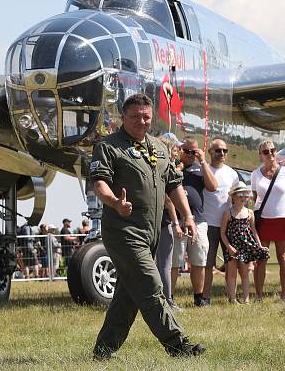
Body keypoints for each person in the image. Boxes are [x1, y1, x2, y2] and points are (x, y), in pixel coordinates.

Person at [90, 93, 205, 359]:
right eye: (135, 117)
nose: (141, 122)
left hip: (151, 233)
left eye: (146, 117)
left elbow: (175, 185)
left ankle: (103, 352)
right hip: (124, 232)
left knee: (128, 296)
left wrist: (187, 216)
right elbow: (99, 183)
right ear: (123, 117)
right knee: (152, 287)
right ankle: (178, 345)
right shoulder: (109, 147)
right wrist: (114, 203)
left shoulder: (159, 147)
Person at [170, 136, 217, 307]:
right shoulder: (173, 167)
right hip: (177, 221)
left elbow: (213, 186)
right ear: (180, 150)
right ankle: (170, 298)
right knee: (174, 262)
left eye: (193, 152)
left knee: (199, 261)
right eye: (187, 151)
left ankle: (199, 297)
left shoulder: (200, 168)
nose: (190, 154)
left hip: (198, 221)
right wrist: (179, 167)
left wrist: (203, 162)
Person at [251, 140, 285, 301]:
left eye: (272, 150)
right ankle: (258, 295)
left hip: (282, 219)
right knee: (261, 258)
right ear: (260, 155)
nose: (270, 154)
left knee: (282, 257)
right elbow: (255, 198)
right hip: (263, 220)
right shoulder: (255, 174)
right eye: (266, 152)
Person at [202, 138, 239, 303]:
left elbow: (238, 198)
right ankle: (205, 298)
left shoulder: (232, 173)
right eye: (218, 150)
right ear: (210, 152)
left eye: (225, 150)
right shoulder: (202, 170)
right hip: (207, 224)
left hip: (228, 224)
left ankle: (232, 297)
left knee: (231, 263)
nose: (222, 153)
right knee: (207, 264)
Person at [221, 182, 270, 303]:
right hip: (233, 246)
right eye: (240, 194)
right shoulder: (228, 213)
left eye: (245, 195)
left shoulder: (250, 213)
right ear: (233, 196)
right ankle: (232, 299)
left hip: (246, 247)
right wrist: (229, 247)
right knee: (232, 273)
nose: (243, 197)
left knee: (245, 273)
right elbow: (222, 232)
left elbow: (254, 231)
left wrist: (259, 246)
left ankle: (246, 299)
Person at [155, 134, 181, 311]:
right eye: (175, 148)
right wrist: (177, 222)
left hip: (151, 219)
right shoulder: (167, 168)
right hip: (163, 221)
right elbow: (169, 200)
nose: (177, 151)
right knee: (165, 263)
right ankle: (168, 301)